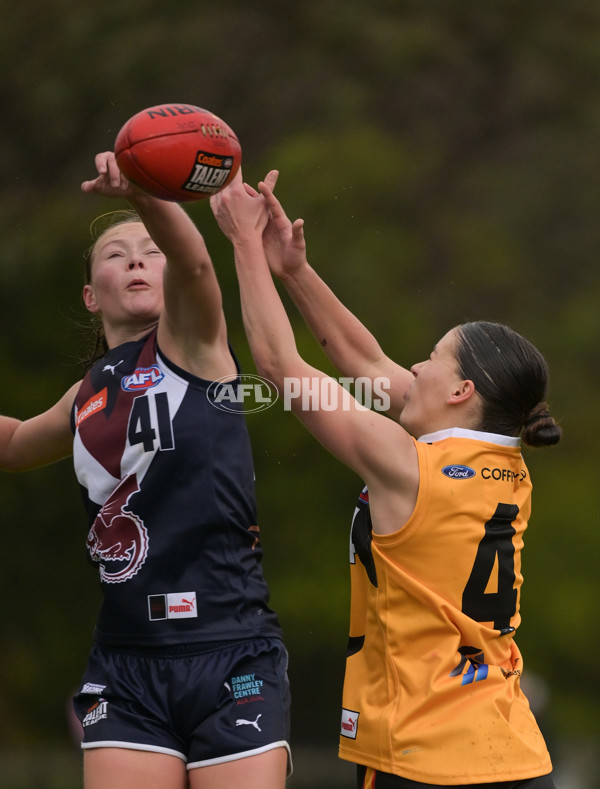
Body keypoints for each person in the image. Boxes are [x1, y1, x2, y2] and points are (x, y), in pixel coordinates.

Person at [210, 169, 561, 789]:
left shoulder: (409, 464)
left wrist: (242, 242)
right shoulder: (505, 462)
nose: (415, 365)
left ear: (461, 391)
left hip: (422, 754)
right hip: (510, 750)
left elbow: (277, 364)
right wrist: (292, 270)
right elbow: (366, 362)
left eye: (432, 357)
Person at [0, 153, 291, 789]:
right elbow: (16, 442)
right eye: (114, 254)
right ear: (89, 292)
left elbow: (191, 261)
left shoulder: (191, 344)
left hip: (229, 648)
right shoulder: (86, 395)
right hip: (126, 661)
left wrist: (142, 193)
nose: (135, 258)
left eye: (146, 251)